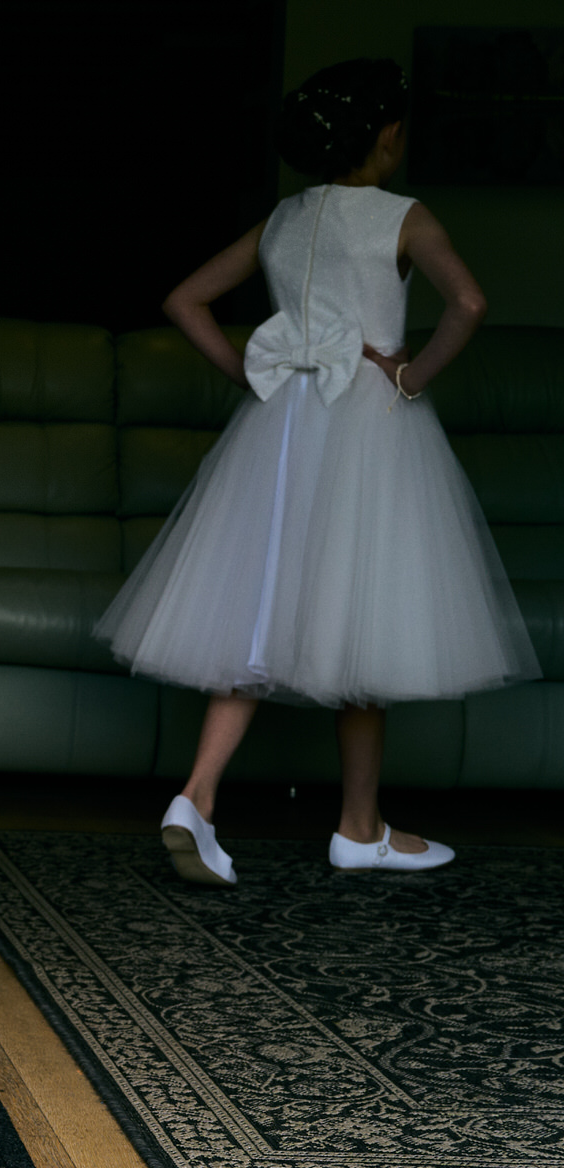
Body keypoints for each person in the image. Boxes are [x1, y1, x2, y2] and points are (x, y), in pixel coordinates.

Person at [95, 59, 538, 887]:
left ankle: (198, 794)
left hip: (280, 424)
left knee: (256, 613)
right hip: (366, 422)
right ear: (387, 136)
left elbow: (183, 298)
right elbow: (469, 303)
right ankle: (358, 826)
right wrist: (412, 375)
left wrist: (245, 372)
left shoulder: (286, 217)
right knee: (359, 618)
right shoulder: (403, 216)